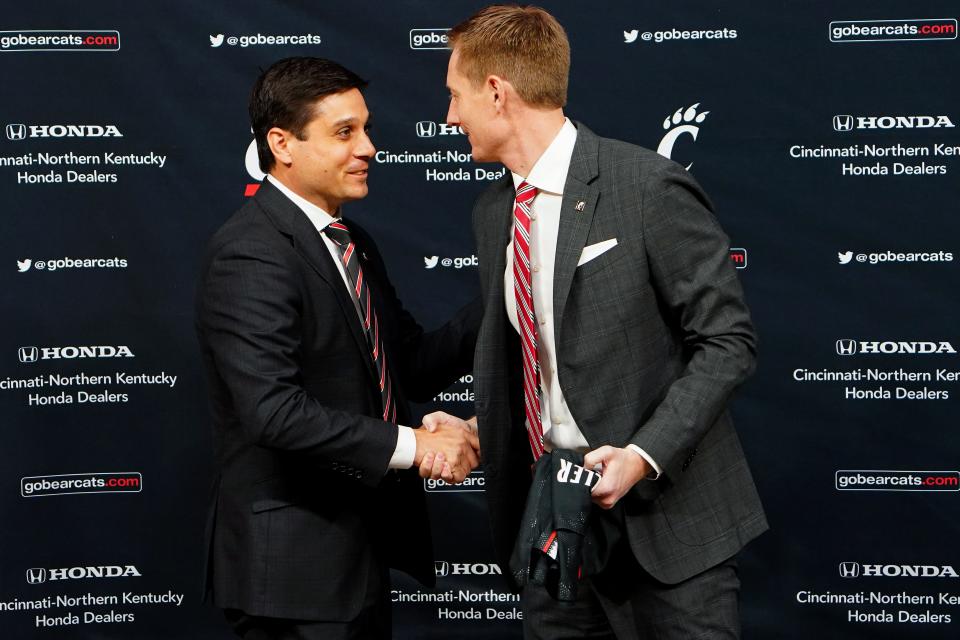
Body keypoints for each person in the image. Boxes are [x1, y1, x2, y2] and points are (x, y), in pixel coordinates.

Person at [427, 6, 769, 638]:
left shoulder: (645, 186)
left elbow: (727, 343)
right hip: (556, 531)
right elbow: (545, 364)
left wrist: (642, 456)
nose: (449, 116)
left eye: (455, 95)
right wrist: (482, 428)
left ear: (497, 93)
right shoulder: (492, 210)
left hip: (670, 535)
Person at [195, 56, 481, 640]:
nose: (369, 147)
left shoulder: (352, 240)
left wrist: (507, 288)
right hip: (295, 577)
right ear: (283, 144)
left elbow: (409, 364)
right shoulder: (250, 252)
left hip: (359, 556)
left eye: (367, 128)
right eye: (344, 132)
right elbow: (273, 412)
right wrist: (417, 444)